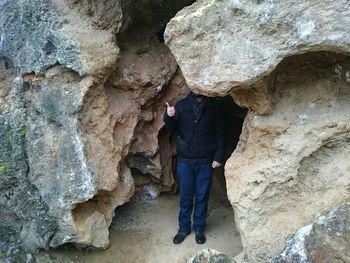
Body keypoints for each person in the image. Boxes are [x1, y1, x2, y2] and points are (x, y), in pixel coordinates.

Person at [163, 91, 224, 245]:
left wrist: (218, 156)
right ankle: (183, 229)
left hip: (205, 161)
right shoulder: (182, 106)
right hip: (185, 162)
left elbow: (220, 133)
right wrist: (169, 116)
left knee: (202, 197)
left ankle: (199, 229)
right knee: (185, 197)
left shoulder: (214, 107)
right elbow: (171, 128)